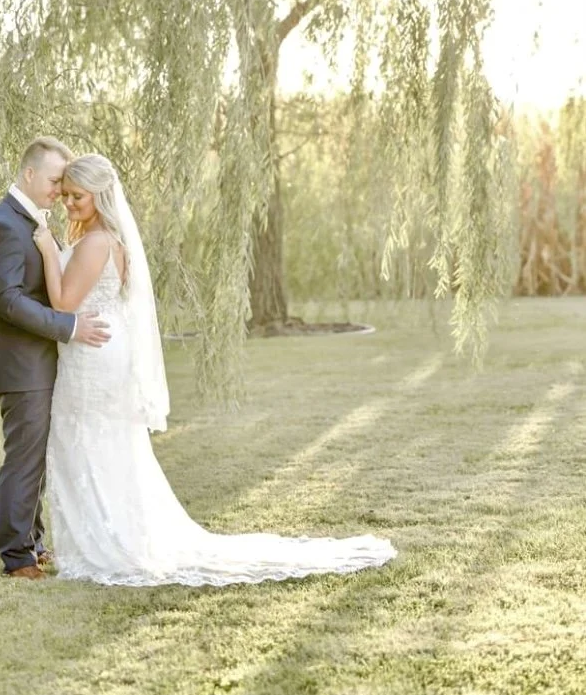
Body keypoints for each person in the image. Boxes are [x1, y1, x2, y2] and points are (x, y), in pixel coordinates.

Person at [35, 152, 397, 587]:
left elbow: (63, 303)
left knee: (90, 444)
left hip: (93, 358)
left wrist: (45, 248)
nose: (69, 203)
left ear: (100, 195)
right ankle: (100, 537)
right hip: (97, 351)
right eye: (67, 195)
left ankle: (106, 544)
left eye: (78, 196)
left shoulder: (97, 242)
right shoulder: (105, 238)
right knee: (99, 446)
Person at [0, 137, 111, 581]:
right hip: (22, 365)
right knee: (23, 460)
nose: (59, 190)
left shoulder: (30, 220)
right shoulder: (3, 225)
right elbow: (7, 301)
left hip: (40, 361)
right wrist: (69, 327)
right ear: (30, 174)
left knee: (36, 459)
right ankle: (17, 558)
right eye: (55, 180)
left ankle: (32, 543)